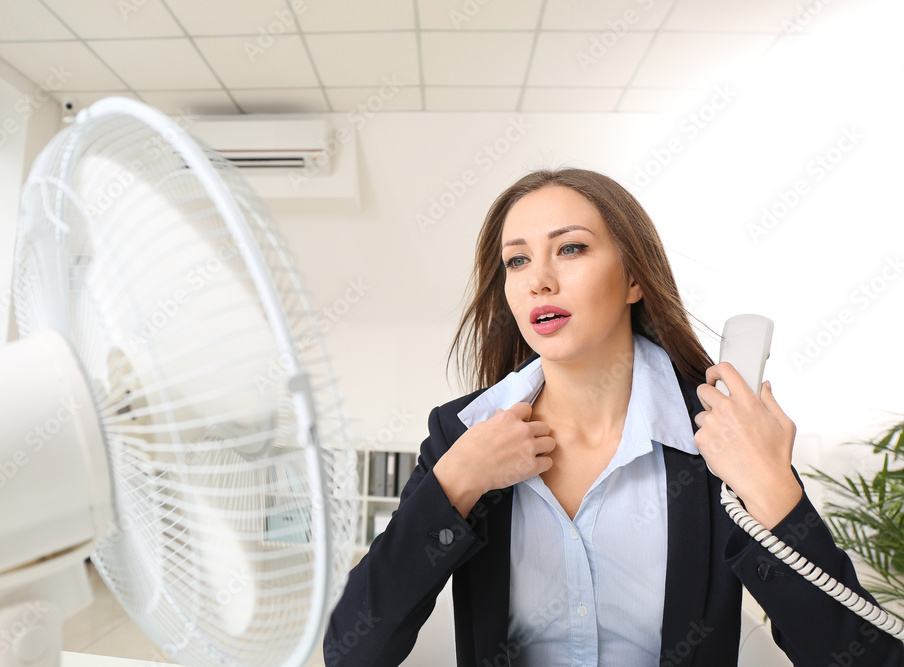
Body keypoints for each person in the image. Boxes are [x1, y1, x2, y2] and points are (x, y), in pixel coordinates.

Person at [322, 168, 904, 666]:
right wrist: (455, 485)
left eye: (570, 248)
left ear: (633, 278)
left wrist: (774, 491)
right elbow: (355, 649)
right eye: (517, 260)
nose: (539, 279)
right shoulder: (462, 436)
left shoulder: (717, 437)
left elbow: (854, 655)